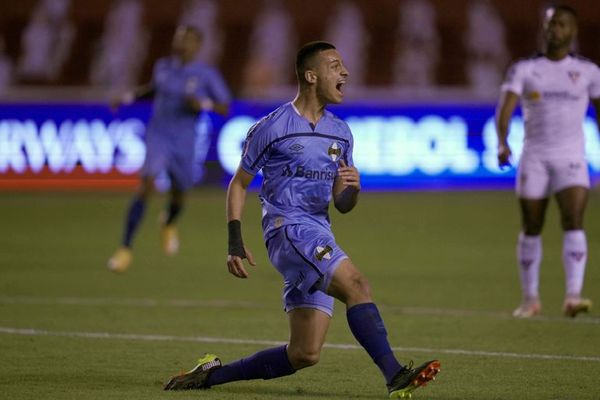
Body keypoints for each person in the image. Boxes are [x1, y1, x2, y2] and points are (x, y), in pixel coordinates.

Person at [163, 41, 440, 398]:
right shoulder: (273, 126)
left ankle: (209, 376)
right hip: (286, 230)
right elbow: (238, 184)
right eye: (335, 65)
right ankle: (394, 376)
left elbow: (342, 205)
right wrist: (234, 240)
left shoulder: (341, 132)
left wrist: (352, 189)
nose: (345, 72)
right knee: (356, 284)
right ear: (311, 76)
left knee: (304, 353)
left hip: (318, 232)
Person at [495, 5, 600, 318]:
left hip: (571, 157)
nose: (555, 29)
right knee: (532, 225)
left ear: (573, 31)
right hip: (535, 157)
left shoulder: (589, 71)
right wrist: (503, 143)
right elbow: (505, 109)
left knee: (574, 220)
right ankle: (530, 299)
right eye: (551, 23)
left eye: (562, 24)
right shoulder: (525, 69)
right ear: (544, 28)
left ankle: (572, 296)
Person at [107, 25, 231, 272]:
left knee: (179, 193)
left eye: (188, 40)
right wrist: (128, 97)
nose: (183, 43)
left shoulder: (205, 74)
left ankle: (168, 222)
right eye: (180, 38)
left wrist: (203, 103)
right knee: (147, 182)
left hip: (185, 140)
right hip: (159, 134)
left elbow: (224, 106)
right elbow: (154, 89)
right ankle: (125, 249)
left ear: (197, 46)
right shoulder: (163, 66)